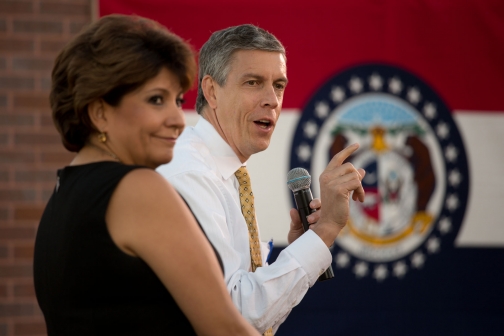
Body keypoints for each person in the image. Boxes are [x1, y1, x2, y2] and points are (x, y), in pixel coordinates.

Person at [33, 15, 261, 336]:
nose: (178, 119)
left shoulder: (63, 192)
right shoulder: (137, 189)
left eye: (178, 100)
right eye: (156, 100)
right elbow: (226, 328)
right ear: (99, 112)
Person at [157, 24, 366, 334]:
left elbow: (247, 301)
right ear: (211, 91)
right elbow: (236, 314)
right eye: (253, 82)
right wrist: (324, 232)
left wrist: (301, 248)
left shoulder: (223, 170)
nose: (272, 99)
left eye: (278, 85)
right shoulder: (191, 175)